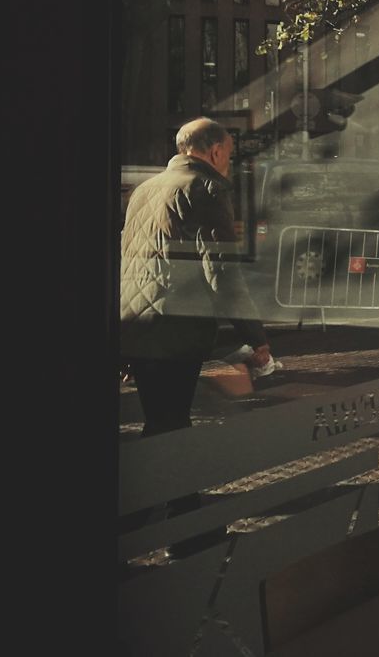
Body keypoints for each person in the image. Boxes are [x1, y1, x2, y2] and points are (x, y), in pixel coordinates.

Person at [120, 117, 274, 554]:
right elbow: (221, 271)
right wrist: (254, 336)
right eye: (228, 152)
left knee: (164, 423)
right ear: (213, 151)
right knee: (170, 426)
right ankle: (173, 529)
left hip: (138, 327)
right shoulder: (206, 190)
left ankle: (179, 520)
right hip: (175, 329)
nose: (228, 161)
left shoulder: (146, 190)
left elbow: (129, 259)